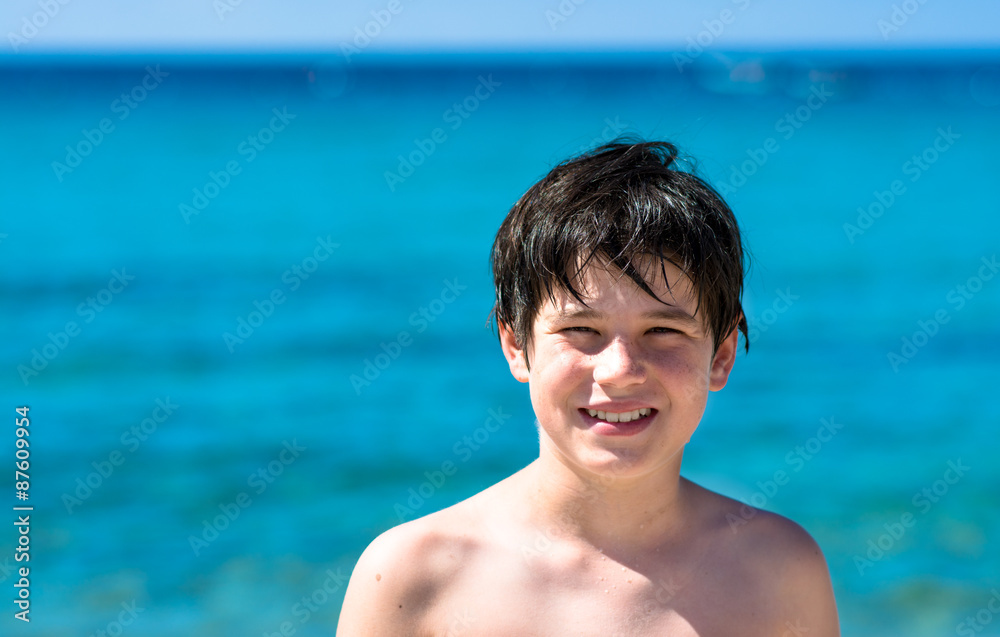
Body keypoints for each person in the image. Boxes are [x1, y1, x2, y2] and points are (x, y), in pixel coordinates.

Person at [337, 140, 840, 636]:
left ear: (722, 354)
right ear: (516, 345)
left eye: (663, 331)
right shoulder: (412, 578)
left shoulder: (781, 573)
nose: (620, 369)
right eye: (581, 330)